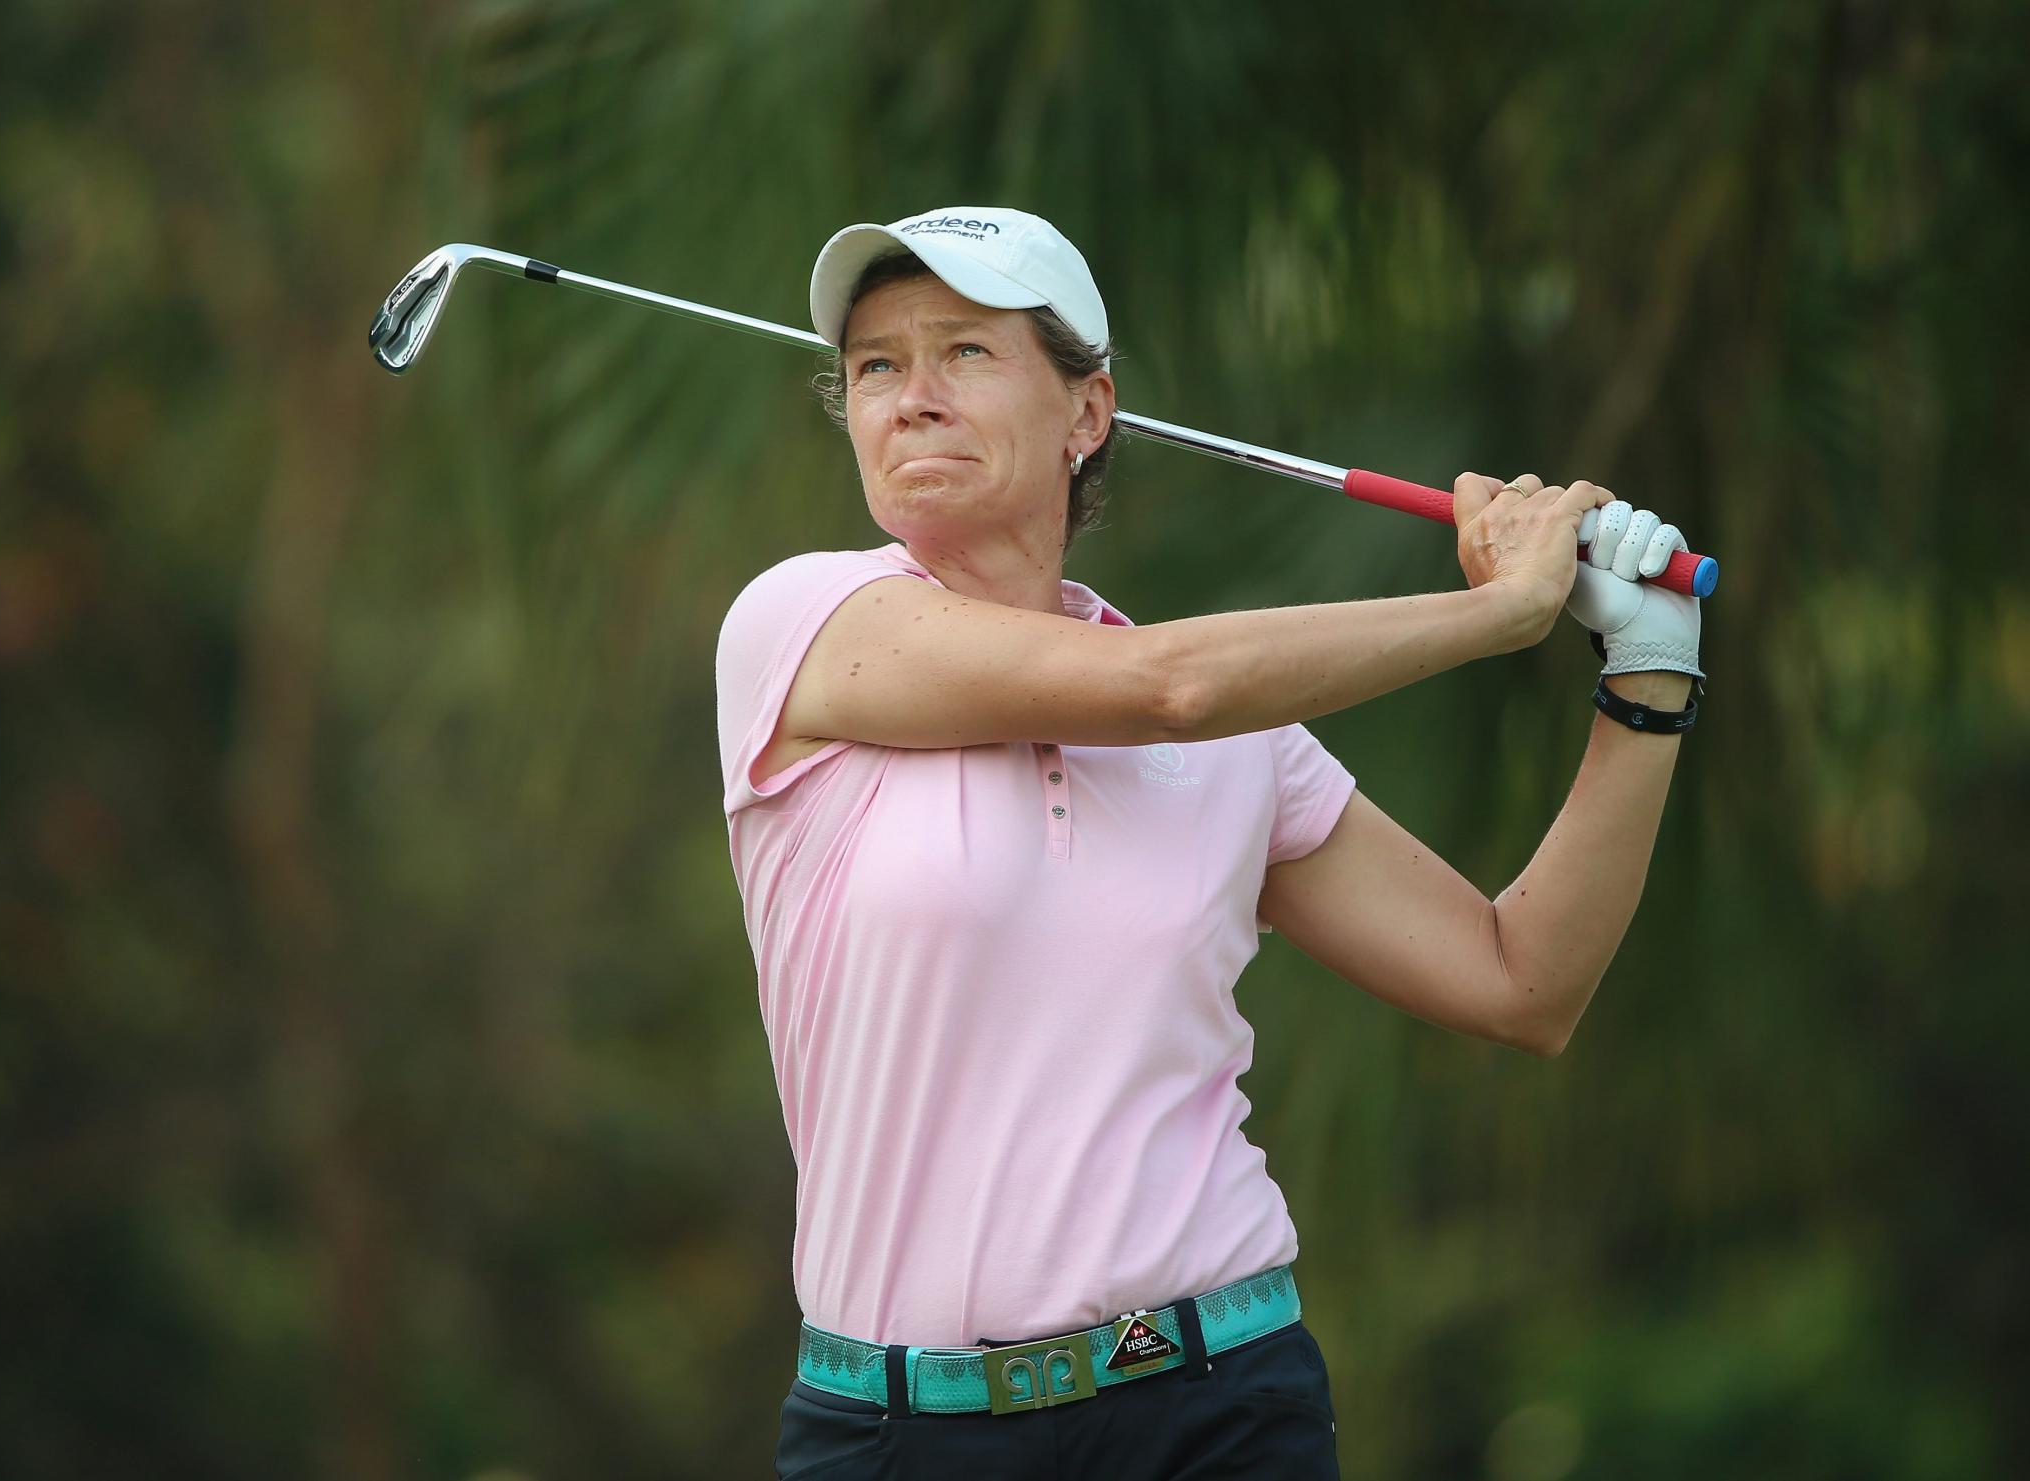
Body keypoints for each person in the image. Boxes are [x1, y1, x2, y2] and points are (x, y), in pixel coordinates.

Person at [714, 206, 1702, 1479]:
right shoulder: (801, 624)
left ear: (1088, 411)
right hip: (901, 1431)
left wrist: (1651, 671)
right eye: (875, 366)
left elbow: (1522, 978)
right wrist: (1505, 606)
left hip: (1218, 1402)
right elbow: (1165, 682)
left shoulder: (1246, 741)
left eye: (964, 351)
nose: (911, 396)